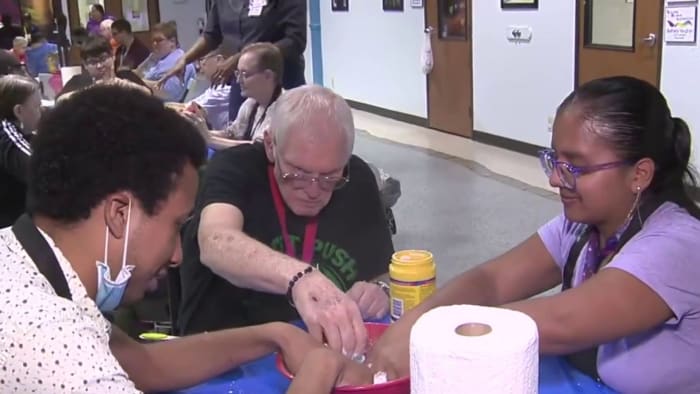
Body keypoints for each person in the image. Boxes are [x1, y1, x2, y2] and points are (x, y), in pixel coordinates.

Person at [0, 83, 373, 393]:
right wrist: (323, 366)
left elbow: (142, 363)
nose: (178, 255)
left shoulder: (26, 262)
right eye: (178, 225)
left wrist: (276, 335)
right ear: (119, 214)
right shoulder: (52, 342)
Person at [368, 76, 700, 394]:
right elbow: (492, 280)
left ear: (639, 174)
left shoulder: (678, 245)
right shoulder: (581, 226)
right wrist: (415, 320)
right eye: (554, 160)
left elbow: (564, 322)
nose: (555, 179)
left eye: (575, 167)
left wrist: (430, 330)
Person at [178, 85, 395, 357]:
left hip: (324, 353)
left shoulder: (357, 177)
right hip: (231, 358)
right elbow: (215, 241)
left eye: (330, 177)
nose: (314, 189)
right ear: (271, 145)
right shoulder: (234, 168)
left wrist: (380, 289)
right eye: (298, 173)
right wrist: (300, 278)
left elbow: (386, 271)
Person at [158, 0, 306, 121]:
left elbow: (295, 41)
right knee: (239, 138)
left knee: (282, 140)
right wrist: (185, 59)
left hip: (280, 82)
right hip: (243, 84)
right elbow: (211, 35)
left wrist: (242, 57)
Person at [0, 74, 42, 228]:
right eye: (37, 107)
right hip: (9, 225)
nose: (41, 112)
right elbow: (40, 171)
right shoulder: (6, 134)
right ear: (18, 111)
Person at [137, 21, 195, 102]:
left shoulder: (178, 61)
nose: (154, 44)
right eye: (153, 41)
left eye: (159, 40)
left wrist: (138, 82)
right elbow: (138, 73)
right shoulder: (159, 58)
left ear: (172, 42)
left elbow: (170, 93)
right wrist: (148, 60)